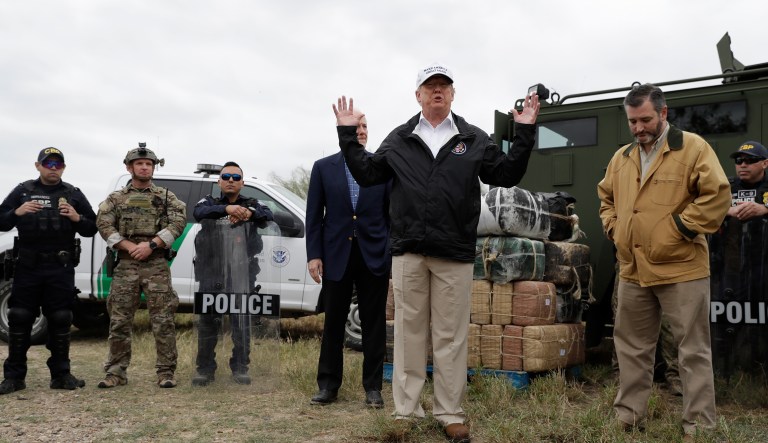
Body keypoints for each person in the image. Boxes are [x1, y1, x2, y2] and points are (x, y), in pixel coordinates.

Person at [332, 63, 539, 443]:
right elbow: (368, 174)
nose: (437, 91)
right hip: (409, 252)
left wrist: (524, 132)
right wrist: (348, 135)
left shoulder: (473, 138)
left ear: (453, 94)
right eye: (430, 87)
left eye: (444, 86)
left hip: (454, 253)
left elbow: (506, 174)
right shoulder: (399, 137)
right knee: (410, 334)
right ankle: (406, 411)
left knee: (450, 336)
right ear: (418, 95)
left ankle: (450, 413)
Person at [597, 83, 731, 439]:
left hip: (681, 268)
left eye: (645, 119)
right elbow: (606, 197)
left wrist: (679, 229)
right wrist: (615, 228)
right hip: (633, 269)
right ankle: (629, 415)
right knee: (631, 348)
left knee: (692, 351)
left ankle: (698, 426)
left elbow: (717, 195)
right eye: (632, 122)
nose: (639, 128)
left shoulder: (693, 148)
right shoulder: (621, 157)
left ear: (663, 113)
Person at [306, 110, 391, 409]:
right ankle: (328, 386)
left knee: (374, 324)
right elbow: (314, 216)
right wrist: (314, 255)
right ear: (343, 131)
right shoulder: (323, 168)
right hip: (335, 256)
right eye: (356, 126)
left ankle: (373, 389)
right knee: (334, 323)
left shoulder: (382, 167)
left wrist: (389, 249)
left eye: (366, 126)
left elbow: (391, 215)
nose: (362, 131)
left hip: (374, 256)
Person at [0, 148, 97, 394]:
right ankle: (14, 377)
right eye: (48, 163)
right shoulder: (23, 191)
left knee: (61, 318)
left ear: (64, 167)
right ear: (38, 165)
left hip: (60, 266)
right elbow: (1, 221)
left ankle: (61, 375)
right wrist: (16, 212)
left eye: (58, 164)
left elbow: (92, 228)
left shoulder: (72, 194)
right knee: (20, 316)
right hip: (28, 266)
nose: (53, 168)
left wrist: (77, 218)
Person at [96, 145, 186, 389]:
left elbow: (179, 220)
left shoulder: (166, 197)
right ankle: (116, 372)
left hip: (155, 263)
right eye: (140, 163)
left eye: (149, 164)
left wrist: (152, 244)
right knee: (119, 320)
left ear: (153, 168)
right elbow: (104, 223)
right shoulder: (116, 199)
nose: (145, 167)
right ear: (129, 167)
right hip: (126, 264)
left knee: (163, 320)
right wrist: (126, 245)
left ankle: (166, 372)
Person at [191, 161, 273, 386]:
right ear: (219, 181)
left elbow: (268, 215)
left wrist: (248, 213)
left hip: (242, 272)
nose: (230, 180)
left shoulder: (252, 203)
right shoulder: (209, 202)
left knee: (241, 322)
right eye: (226, 177)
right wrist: (226, 209)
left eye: (236, 178)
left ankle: (240, 368)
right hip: (211, 272)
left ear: (242, 183)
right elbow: (198, 212)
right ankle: (205, 370)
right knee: (208, 323)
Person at [726, 141, 768, 221]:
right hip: (733, 233)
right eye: (738, 160)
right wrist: (728, 211)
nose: (743, 165)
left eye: (749, 160)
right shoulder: (726, 186)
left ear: (765, 164)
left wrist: (765, 208)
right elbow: (703, 210)